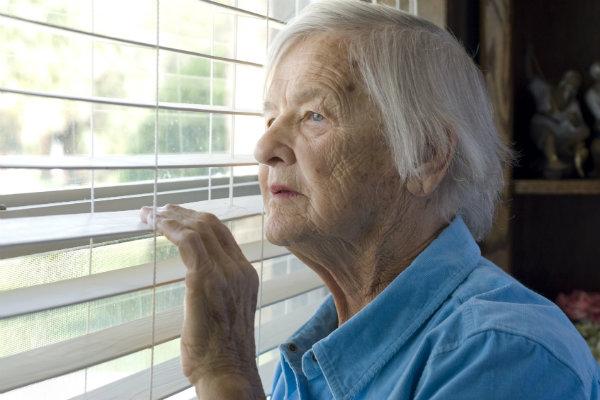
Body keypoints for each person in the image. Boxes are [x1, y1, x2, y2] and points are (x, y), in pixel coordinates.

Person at [139, 0, 600, 398]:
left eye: (314, 116)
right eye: (270, 118)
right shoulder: (319, 351)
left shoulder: (506, 355)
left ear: (424, 156)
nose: (264, 149)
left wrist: (226, 374)